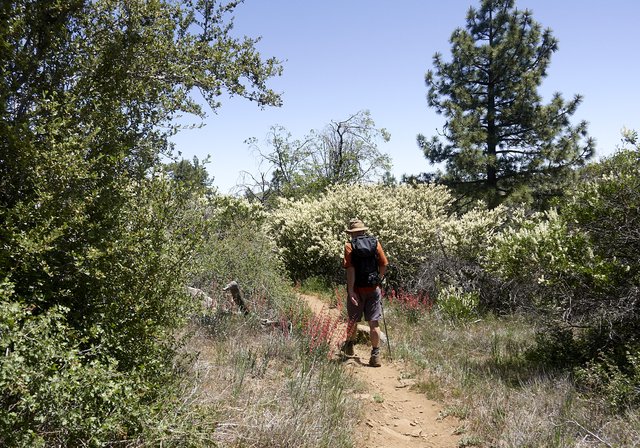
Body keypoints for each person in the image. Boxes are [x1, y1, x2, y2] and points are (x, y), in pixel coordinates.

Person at [341, 218, 388, 367]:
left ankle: (349, 348)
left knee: (353, 320)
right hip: (373, 289)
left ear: (351, 233)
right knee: (374, 322)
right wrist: (378, 281)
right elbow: (384, 264)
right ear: (363, 231)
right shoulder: (375, 243)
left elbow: (350, 270)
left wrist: (351, 290)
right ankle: (375, 355)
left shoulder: (349, 246)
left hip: (357, 290)